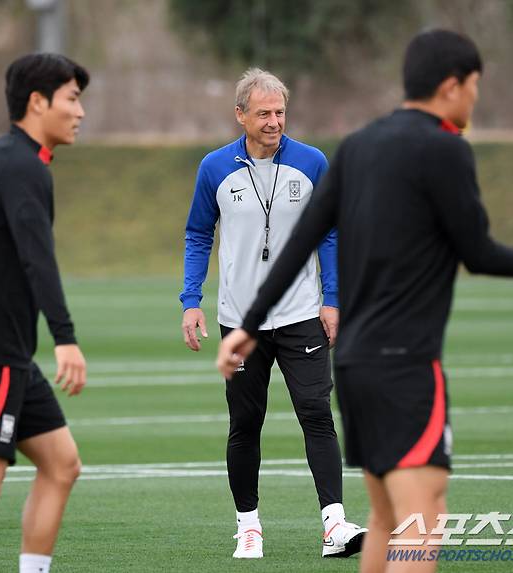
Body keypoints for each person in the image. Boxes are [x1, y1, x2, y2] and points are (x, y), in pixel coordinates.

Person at [216, 30, 513, 573]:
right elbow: (477, 253)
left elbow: (299, 244)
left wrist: (247, 324)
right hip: (407, 365)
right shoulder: (446, 148)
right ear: (452, 86)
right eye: (475, 86)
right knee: (422, 517)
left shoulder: (360, 145)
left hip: (357, 361)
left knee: (387, 519)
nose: (475, 98)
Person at [180, 68, 367, 559]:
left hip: (302, 313)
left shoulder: (313, 163)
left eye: (280, 112)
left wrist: (332, 299)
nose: (274, 121)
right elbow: (198, 234)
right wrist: (190, 300)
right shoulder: (214, 168)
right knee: (245, 423)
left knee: (316, 414)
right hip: (239, 321)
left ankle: (335, 525)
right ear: (240, 114)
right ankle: (248, 526)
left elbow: (330, 233)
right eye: (263, 113)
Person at [0, 53, 89, 573]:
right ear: (37, 101)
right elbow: (37, 257)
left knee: (61, 464)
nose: (80, 112)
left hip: (7, 355)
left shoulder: (13, 159)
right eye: (72, 99)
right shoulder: (21, 166)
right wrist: (66, 337)